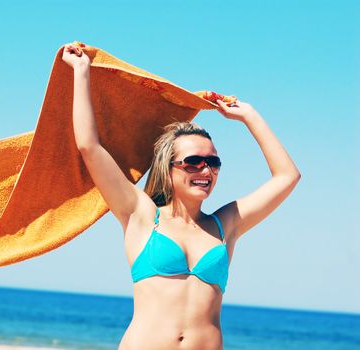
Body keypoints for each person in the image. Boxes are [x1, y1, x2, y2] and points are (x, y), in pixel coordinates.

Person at [61, 42, 301, 350]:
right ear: (169, 168)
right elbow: (89, 147)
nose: (205, 170)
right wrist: (81, 72)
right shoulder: (141, 214)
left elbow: (287, 176)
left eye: (213, 162)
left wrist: (250, 116)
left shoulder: (225, 224)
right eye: (193, 162)